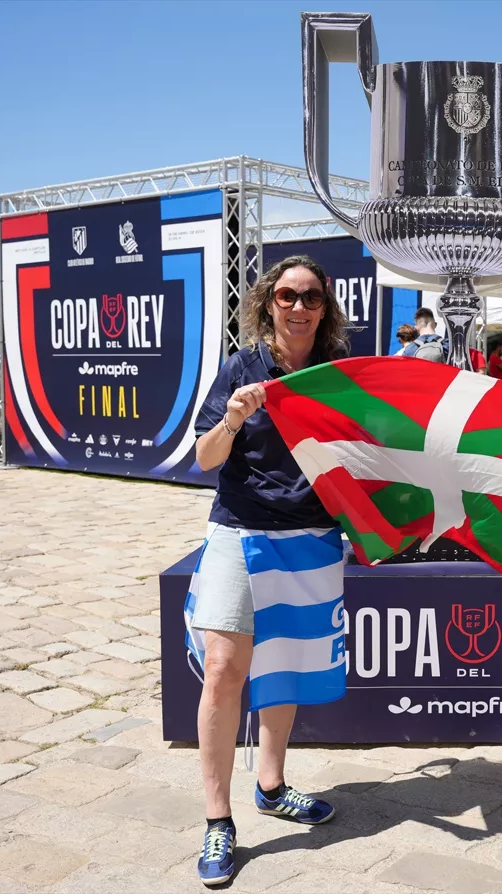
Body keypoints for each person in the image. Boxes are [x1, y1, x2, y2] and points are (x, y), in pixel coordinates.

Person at [188, 255, 349, 886]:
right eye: (287, 296)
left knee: (284, 666)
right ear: (267, 303)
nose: (299, 307)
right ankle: (217, 819)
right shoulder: (241, 368)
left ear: (325, 309)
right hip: (241, 529)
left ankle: (272, 786)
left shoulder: (336, 374)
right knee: (225, 669)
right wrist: (233, 416)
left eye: (312, 297)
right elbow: (205, 458)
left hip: (311, 536)